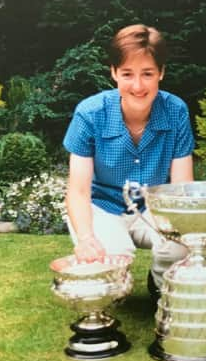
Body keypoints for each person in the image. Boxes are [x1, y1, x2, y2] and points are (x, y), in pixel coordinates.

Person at [63, 24, 194, 297]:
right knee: (109, 272)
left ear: (161, 72)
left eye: (147, 74)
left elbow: (182, 188)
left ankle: (162, 285)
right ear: (113, 72)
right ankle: (112, 280)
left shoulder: (176, 111)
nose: (137, 86)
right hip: (103, 207)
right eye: (127, 74)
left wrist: (186, 233)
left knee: (183, 242)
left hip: (154, 209)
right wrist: (86, 239)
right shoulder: (89, 113)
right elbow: (78, 191)